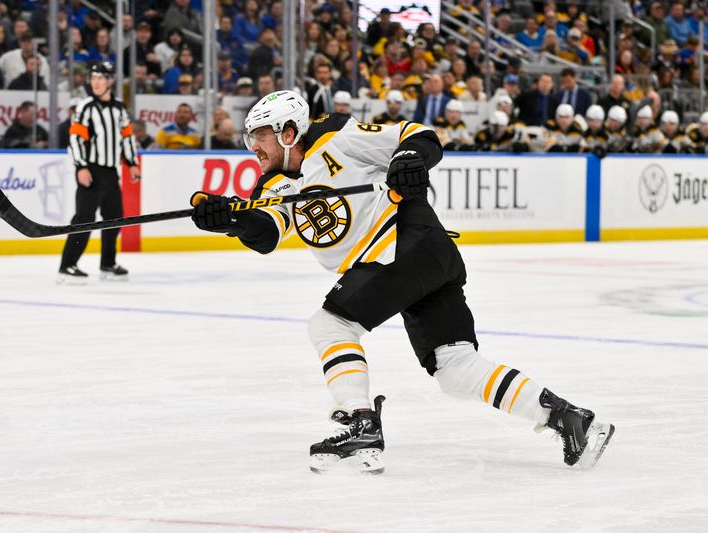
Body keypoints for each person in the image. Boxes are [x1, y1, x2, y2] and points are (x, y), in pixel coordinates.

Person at [188, 90, 615, 474]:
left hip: (401, 244)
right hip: (420, 256)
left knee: (330, 325)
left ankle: (361, 425)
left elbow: (418, 134)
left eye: (259, 136)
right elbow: (266, 231)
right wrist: (230, 219)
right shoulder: (274, 182)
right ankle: (568, 418)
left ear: (287, 131)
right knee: (455, 370)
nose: (253, 147)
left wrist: (410, 159)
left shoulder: (334, 134)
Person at [59, 62, 140, 283]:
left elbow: (127, 137)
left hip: (111, 172)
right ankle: (67, 265)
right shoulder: (85, 107)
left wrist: (132, 163)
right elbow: (75, 139)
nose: (95, 82)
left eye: (101, 78)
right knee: (84, 219)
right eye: (93, 78)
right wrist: (81, 166)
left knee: (114, 219)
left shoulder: (120, 108)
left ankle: (108, 264)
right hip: (91, 171)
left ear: (110, 81)